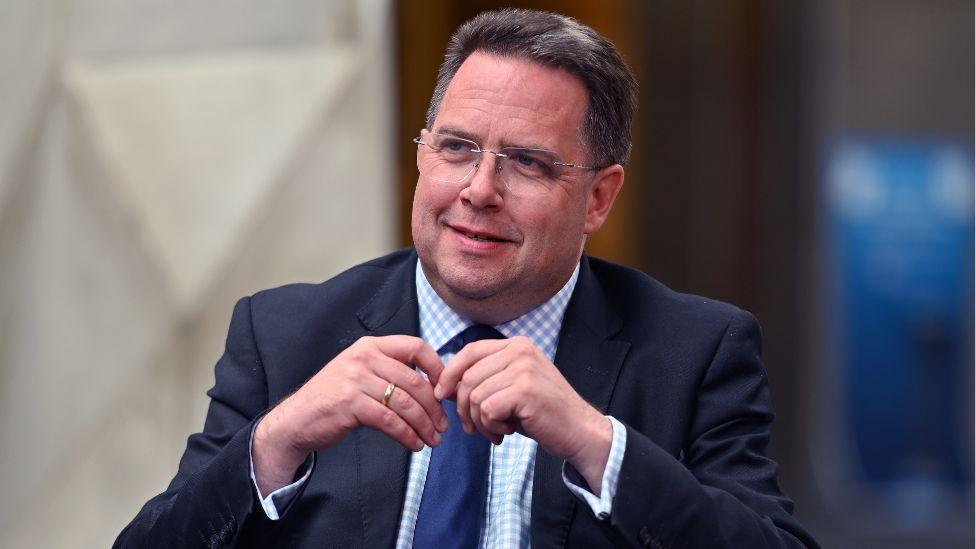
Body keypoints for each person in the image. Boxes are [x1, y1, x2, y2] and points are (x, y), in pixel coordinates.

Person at [115, 8, 818, 549]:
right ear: (423, 157)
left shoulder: (695, 350)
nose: (479, 190)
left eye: (528, 163)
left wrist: (593, 440)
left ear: (599, 197)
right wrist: (275, 443)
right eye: (457, 148)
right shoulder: (284, 335)